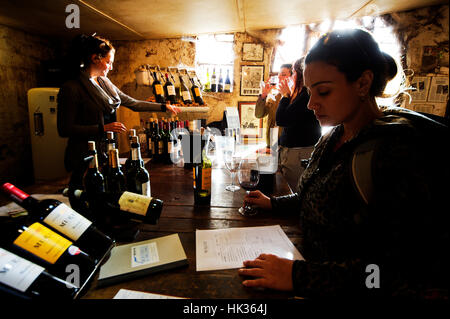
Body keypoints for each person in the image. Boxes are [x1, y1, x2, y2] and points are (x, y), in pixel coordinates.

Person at [239, 28, 449, 298]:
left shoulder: (395, 152)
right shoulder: (335, 136)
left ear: (363, 83)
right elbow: (313, 197)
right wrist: (274, 203)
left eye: (323, 92)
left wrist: (298, 276)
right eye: (311, 92)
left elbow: (391, 271)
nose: (311, 104)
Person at [57, 34, 180, 190]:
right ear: (95, 58)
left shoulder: (103, 83)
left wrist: (163, 107)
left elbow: (132, 103)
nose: (111, 67)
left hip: (104, 154)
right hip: (83, 158)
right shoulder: (71, 88)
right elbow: (64, 129)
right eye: (108, 62)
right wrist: (103, 128)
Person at [275, 58, 321, 191]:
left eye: (294, 72)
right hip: (291, 151)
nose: (292, 76)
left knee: (295, 190)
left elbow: (282, 119)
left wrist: (285, 95)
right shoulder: (300, 93)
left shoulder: (306, 95)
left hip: (299, 153)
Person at [254, 64, 292, 148]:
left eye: (283, 74)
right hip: (271, 144)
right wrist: (264, 95)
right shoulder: (275, 97)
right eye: (279, 75)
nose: (279, 77)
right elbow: (259, 115)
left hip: (286, 146)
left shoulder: (296, 98)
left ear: (292, 78)